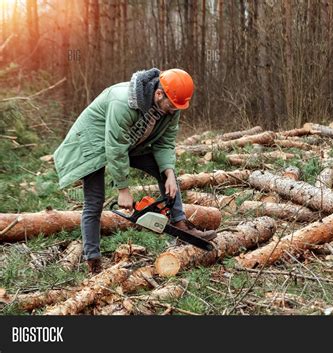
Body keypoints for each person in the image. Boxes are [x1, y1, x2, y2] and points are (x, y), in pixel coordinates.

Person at [53, 68, 217, 274]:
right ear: (159, 94)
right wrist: (123, 189)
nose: (175, 110)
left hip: (130, 143)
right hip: (93, 144)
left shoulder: (172, 106)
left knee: (165, 172)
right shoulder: (123, 102)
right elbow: (115, 147)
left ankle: (180, 223)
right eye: (172, 106)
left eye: (178, 107)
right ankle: (93, 260)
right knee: (94, 201)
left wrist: (168, 172)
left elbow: (165, 143)